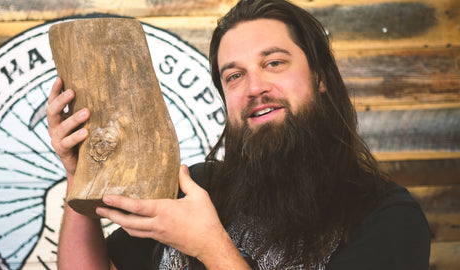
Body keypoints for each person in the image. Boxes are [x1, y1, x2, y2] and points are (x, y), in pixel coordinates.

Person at [47, 0, 431, 269]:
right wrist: (79, 173)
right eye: (234, 75)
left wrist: (210, 246)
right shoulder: (194, 188)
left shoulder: (388, 217)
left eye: (274, 63)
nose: (254, 87)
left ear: (320, 78)